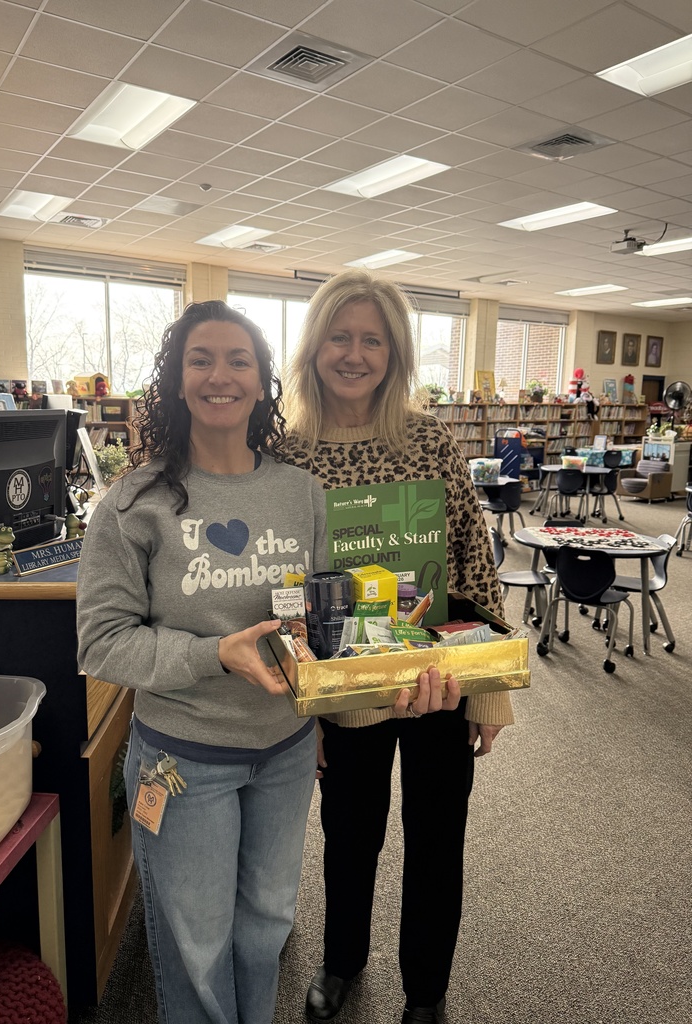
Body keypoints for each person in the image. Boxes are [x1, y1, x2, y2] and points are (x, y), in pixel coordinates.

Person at [76, 300, 329, 1024]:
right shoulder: (132, 503)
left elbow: (315, 613)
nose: (221, 375)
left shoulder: (300, 492)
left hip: (284, 750)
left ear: (261, 382)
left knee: (266, 929)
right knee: (197, 946)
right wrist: (216, 654)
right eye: (201, 360)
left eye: (239, 360)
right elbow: (101, 642)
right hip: (183, 764)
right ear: (176, 383)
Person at [283, 270, 515, 1024]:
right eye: (340, 337)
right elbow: (281, 585)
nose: (354, 353)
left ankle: (427, 990)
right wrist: (300, 708)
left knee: (436, 840)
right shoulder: (284, 451)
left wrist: (489, 688)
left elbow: (472, 559)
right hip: (343, 695)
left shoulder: (427, 437)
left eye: (371, 339)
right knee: (349, 835)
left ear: (395, 351)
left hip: (436, 679)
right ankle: (343, 960)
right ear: (315, 346)